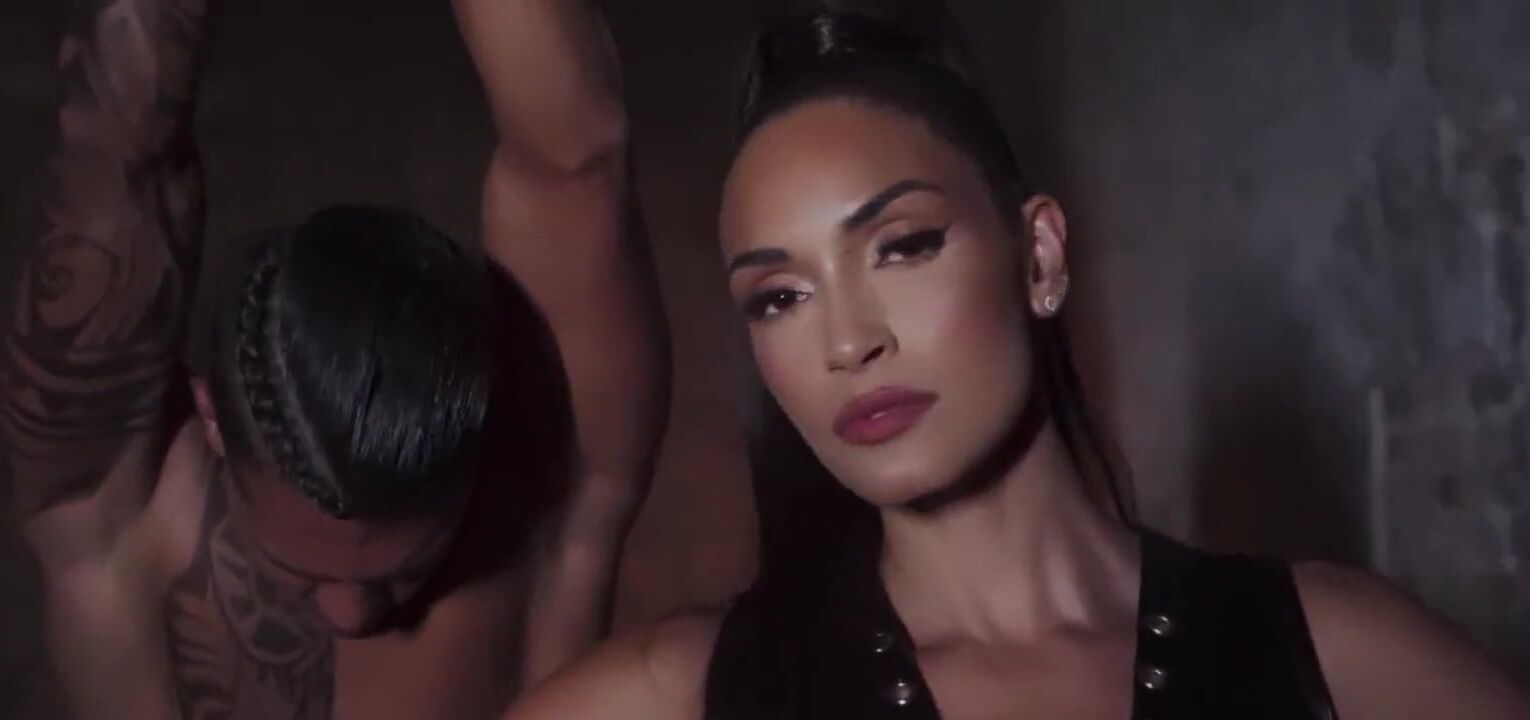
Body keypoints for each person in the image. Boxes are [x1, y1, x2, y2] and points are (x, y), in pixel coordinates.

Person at [498, 4, 1530, 720]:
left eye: (903, 245)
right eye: (779, 297)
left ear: (1038, 256)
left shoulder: (1349, 657)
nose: (849, 342)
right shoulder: (663, 698)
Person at [2, 0, 667, 717]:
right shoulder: (122, 508)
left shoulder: (544, 498)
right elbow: (118, 150)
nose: (352, 614)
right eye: (300, 571)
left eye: (405, 570)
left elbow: (578, 159)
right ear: (213, 419)